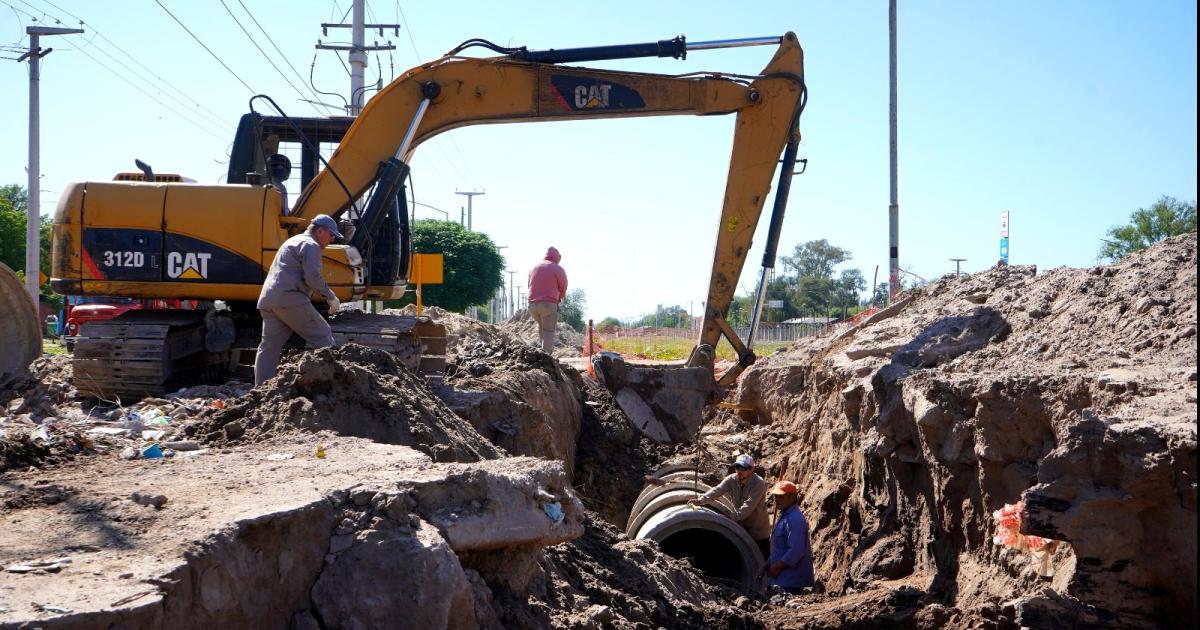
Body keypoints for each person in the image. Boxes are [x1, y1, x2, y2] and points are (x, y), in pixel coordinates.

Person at [254, 214, 343, 385]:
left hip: (269, 300)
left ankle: (260, 392)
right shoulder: (311, 245)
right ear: (320, 230)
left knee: (269, 347)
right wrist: (330, 297)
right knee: (323, 334)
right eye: (331, 235)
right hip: (289, 298)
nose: (331, 239)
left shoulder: (293, 241)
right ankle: (332, 387)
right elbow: (313, 277)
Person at [688, 453, 771, 560]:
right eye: (737, 467)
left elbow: (749, 505)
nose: (739, 471)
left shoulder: (758, 484)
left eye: (743, 468)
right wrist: (701, 500)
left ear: (751, 469)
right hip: (742, 524)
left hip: (757, 528)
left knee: (762, 558)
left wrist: (732, 517)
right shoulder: (732, 479)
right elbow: (717, 490)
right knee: (745, 556)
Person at [763, 480, 814, 594]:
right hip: (781, 581)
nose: (777, 500)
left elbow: (796, 550)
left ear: (792, 497)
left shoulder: (795, 519)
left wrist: (777, 567)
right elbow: (780, 547)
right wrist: (768, 563)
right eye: (776, 497)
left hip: (790, 582)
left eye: (781, 497)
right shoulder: (785, 516)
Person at [526, 246, 568, 354]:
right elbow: (563, 285)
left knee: (542, 329)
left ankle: (541, 356)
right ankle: (546, 358)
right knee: (548, 332)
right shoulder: (557, 268)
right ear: (557, 258)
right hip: (548, 304)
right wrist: (561, 297)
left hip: (532, 305)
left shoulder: (534, 267)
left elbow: (529, 285)